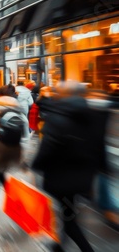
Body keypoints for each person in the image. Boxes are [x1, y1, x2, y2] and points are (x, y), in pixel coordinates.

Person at [32, 81, 109, 252]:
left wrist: (35, 166)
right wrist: (103, 169)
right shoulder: (95, 116)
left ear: (63, 95)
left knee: (68, 216)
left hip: (61, 177)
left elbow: (47, 147)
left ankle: (85, 249)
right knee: (67, 210)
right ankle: (59, 244)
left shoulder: (57, 116)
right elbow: (100, 145)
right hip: (84, 176)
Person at [0, 85, 27, 207]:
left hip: (1, 144)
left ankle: (14, 198)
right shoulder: (17, 107)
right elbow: (23, 127)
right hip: (15, 144)